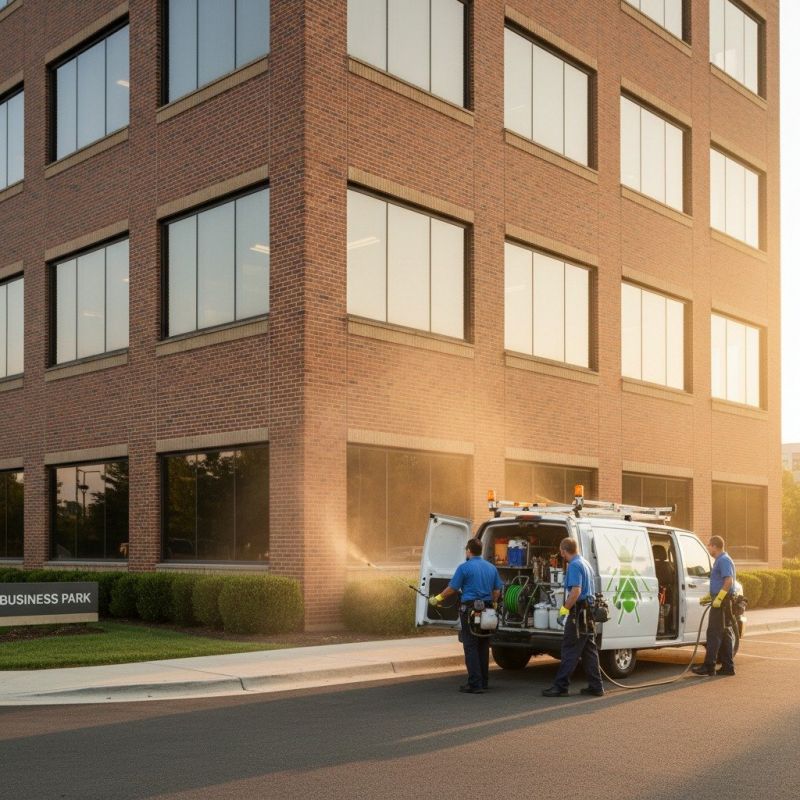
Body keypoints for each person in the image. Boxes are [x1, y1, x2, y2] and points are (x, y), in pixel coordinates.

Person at [429, 537, 502, 693]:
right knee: (483, 645)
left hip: (470, 610)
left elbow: (453, 588)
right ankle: (483, 681)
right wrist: (494, 604)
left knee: (470, 646)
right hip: (487, 610)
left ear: (469, 551)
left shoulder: (464, 568)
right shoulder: (491, 568)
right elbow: (497, 590)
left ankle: (475, 684)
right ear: (480, 551)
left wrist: (437, 598)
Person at [542, 537, 604, 697]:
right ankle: (596, 686)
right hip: (588, 613)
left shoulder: (574, 565)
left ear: (564, 551)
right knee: (589, 651)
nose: (560, 554)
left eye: (560, 551)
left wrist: (564, 610)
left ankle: (560, 686)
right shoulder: (585, 563)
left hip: (579, 614)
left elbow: (576, 591)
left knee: (570, 650)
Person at [691, 535, 737, 677]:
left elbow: (728, 581)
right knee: (724, 634)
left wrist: (719, 597)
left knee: (713, 633)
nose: (708, 548)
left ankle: (709, 666)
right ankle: (728, 667)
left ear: (715, 546)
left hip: (722, 601)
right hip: (721, 600)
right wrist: (710, 597)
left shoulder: (723, 560)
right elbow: (720, 582)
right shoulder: (720, 560)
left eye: (709, 545)